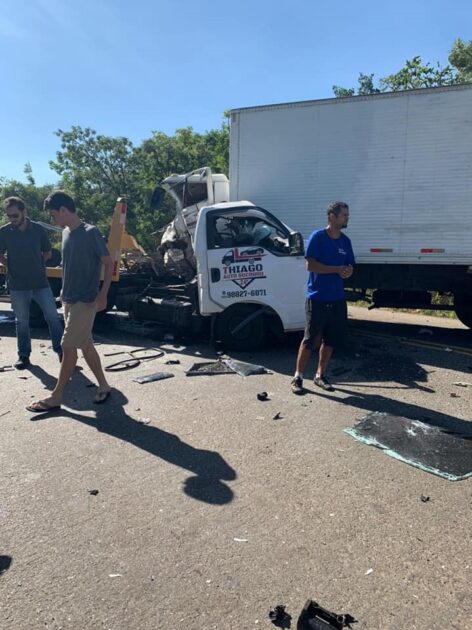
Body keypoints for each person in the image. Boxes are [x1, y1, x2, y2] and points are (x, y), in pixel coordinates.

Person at [27, 191, 114, 412]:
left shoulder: (90, 232)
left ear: (64, 210)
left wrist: (103, 294)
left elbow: (108, 263)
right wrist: (63, 292)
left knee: (67, 346)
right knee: (86, 345)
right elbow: (69, 265)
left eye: (53, 214)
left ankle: (56, 396)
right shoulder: (66, 233)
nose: (52, 219)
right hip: (69, 299)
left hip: (86, 300)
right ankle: (104, 385)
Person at [291, 201, 355, 395]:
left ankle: (320, 375)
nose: (347, 218)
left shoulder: (345, 241)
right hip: (317, 297)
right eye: (343, 215)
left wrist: (347, 272)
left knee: (331, 340)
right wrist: (336, 269)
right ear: (332, 217)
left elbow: (350, 266)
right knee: (311, 340)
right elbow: (311, 265)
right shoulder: (318, 237)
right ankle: (298, 377)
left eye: (347, 215)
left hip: (337, 298)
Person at [0, 196, 63, 369]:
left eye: (15, 215)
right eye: (9, 216)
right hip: (17, 285)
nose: (12, 219)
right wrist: (10, 265)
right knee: (22, 322)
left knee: (53, 318)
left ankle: (62, 352)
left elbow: (48, 252)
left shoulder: (38, 230)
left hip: (40, 283)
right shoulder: (4, 232)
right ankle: (24, 356)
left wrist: (36, 263)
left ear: (23, 212)